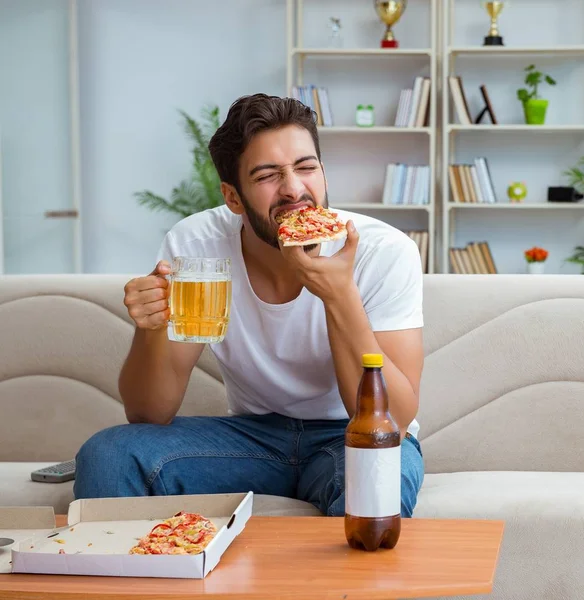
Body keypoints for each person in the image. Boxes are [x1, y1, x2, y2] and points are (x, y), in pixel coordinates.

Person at [74, 93, 425, 517]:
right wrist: (151, 327)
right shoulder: (196, 245)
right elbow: (149, 412)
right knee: (109, 453)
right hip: (252, 437)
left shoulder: (383, 251)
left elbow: (396, 420)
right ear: (233, 198)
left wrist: (340, 296)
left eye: (306, 167)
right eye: (267, 176)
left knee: (380, 476)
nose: (294, 189)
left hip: (352, 435)